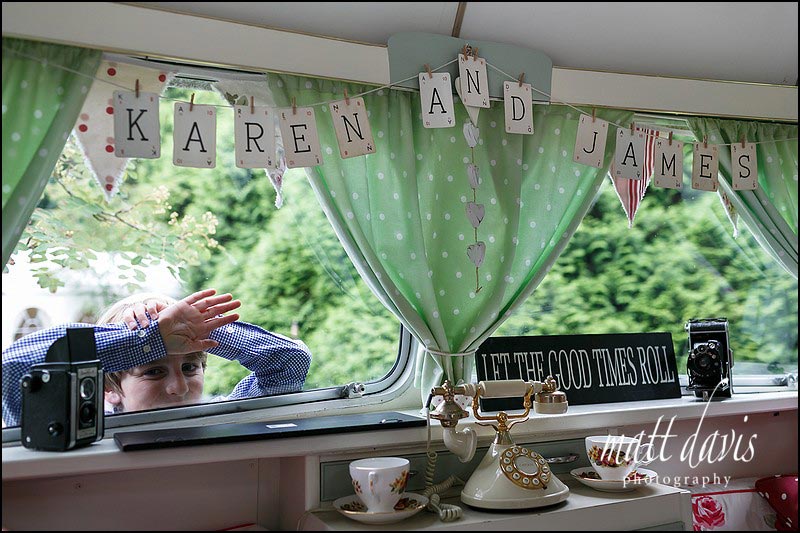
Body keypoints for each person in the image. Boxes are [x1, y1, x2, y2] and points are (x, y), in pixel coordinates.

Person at [2, 289, 311, 426]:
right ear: (108, 389)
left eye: (189, 367)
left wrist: (194, 330)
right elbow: (11, 371)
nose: (180, 387)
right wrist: (144, 339)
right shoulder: (90, 430)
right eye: (153, 371)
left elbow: (289, 361)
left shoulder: (221, 418)